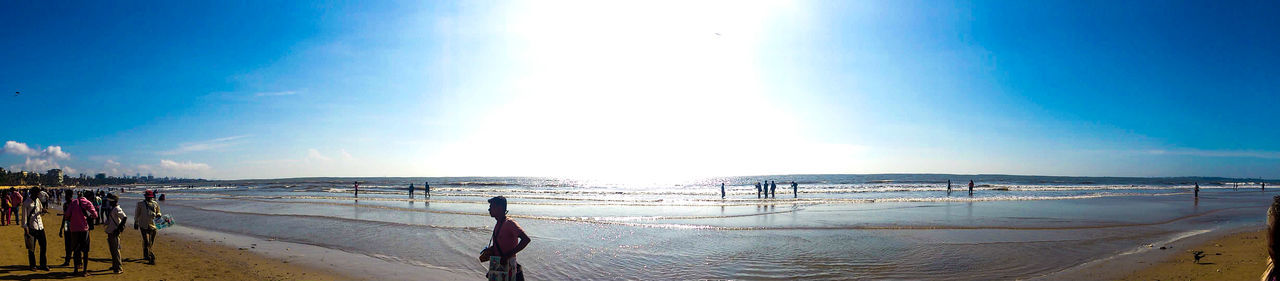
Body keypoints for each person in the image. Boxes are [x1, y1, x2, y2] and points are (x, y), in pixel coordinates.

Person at [478, 196, 529, 281]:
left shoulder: (510, 223)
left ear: (499, 208)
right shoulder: (498, 223)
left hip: (508, 265)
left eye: (491, 207)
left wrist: (508, 255)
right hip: (499, 265)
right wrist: (491, 249)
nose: (489, 209)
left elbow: (526, 240)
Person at [67, 190, 98, 276]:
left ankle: (76, 269)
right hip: (84, 229)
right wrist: (89, 217)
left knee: (76, 250)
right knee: (85, 251)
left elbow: (67, 215)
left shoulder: (73, 203)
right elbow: (95, 215)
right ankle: (84, 271)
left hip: (74, 229)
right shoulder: (87, 203)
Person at [22, 187, 50, 271]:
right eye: (37, 193)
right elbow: (24, 217)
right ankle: (33, 265)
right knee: (31, 248)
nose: (38, 195)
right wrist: (25, 228)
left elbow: (40, 210)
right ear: (33, 193)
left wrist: (43, 211)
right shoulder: (26, 203)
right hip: (31, 227)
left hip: (40, 226)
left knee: (43, 246)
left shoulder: (38, 200)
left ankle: (43, 264)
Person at [134, 190, 162, 264]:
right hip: (143, 224)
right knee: (146, 241)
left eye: (150, 197)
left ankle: (148, 252)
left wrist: (159, 214)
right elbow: (137, 213)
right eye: (147, 197)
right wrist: (136, 222)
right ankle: (148, 255)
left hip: (153, 224)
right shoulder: (140, 204)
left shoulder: (155, 204)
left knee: (151, 241)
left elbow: (158, 211)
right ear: (145, 196)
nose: (149, 198)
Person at [103, 194, 128, 274]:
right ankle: (115, 265)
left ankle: (119, 268)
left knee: (116, 250)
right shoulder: (113, 208)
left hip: (114, 231)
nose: (108, 202)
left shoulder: (117, 209)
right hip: (111, 231)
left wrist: (119, 229)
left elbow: (124, 217)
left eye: (109, 201)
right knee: (113, 250)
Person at [58, 191, 73, 266]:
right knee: (67, 244)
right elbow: (64, 217)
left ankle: (78, 262)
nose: (66, 197)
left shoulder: (74, 204)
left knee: (75, 244)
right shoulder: (65, 205)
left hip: (74, 225)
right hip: (67, 224)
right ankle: (67, 261)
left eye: (67, 196)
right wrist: (61, 228)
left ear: (71, 196)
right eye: (66, 196)